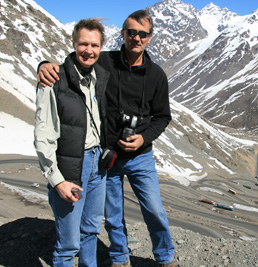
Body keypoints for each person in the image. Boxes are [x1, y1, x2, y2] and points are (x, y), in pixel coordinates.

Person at [38, 10, 175, 267]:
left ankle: (165, 257)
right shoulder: (104, 61)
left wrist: (143, 138)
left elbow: (162, 117)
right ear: (122, 34)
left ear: (150, 37)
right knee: (112, 216)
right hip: (108, 155)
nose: (136, 38)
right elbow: (74, 63)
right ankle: (119, 258)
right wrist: (44, 64)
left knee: (155, 210)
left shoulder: (156, 75)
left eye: (142, 34)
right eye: (131, 32)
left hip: (140, 156)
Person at [34, 19, 109, 267]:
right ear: (73, 44)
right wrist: (57, 180)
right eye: (83, 44)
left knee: (90, 231)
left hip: (98, 166)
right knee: (68, 244)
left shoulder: (99, 76)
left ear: (101, 47)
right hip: (71, 169)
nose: (89, 50)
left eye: (95, 45)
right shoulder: (53, 81)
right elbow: (43, 137)